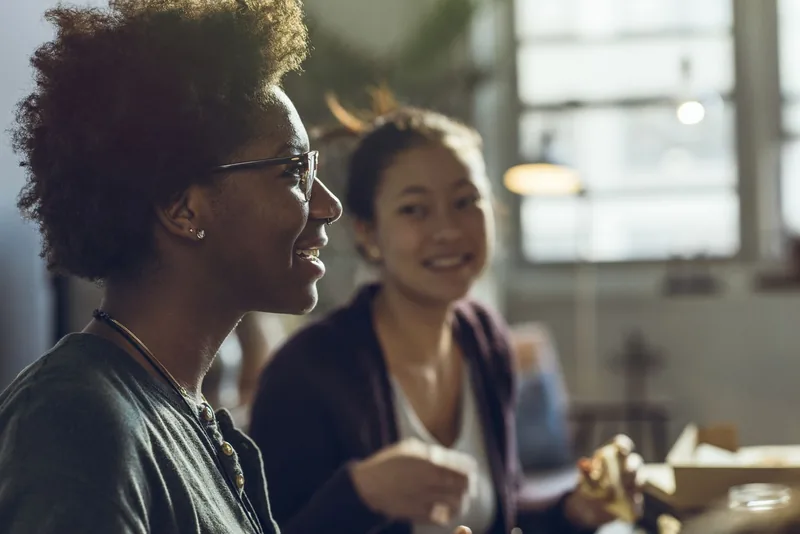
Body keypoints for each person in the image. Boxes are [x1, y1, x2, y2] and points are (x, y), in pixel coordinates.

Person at [0, 0, 342, 532]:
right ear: (183, 208)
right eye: (294, 171)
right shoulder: (77, 422)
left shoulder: (199, 423)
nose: (326, 204)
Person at [248, 106, 642, 534]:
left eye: (465, 201)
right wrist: (361, 495)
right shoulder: (306, 372)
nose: (449, 230)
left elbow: (499, 514)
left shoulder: (485, 340)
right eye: (415, 210)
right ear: (367, 232)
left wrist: (576, 510)